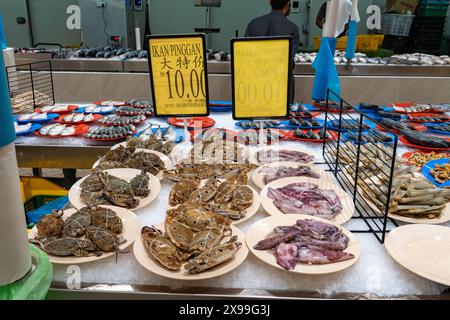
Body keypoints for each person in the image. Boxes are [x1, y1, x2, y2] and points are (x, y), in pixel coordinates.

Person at [245, 0, 299, 104]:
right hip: (281, 83)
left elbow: (246, 54)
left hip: (255, 81)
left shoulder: (253, 24)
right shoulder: (292, 28)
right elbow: (287, 60)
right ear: (287, 5)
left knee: (254, 115)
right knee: (282, 117)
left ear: (270, 2)